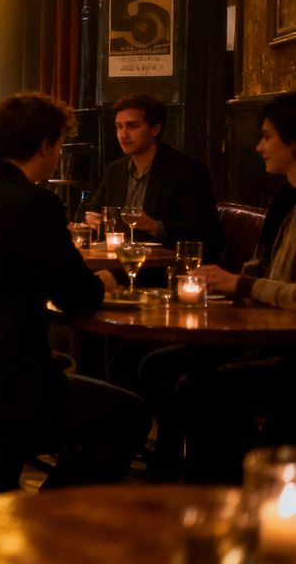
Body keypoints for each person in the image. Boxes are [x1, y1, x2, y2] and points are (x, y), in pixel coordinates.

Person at [0, 92, 149, 489]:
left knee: (58, 375)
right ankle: (47, 524)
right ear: (45, 145)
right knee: (129, 415)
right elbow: (79, 298)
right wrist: (104, 282)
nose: (57, 155)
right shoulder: (35, 204)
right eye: (58, 145)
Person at [139, 93, 296, 484]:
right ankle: (168, 474)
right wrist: (222, 285)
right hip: (266, 335)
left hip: (290, 352)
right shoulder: (284, 199)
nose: (258, 146)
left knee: (201, 389)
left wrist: (241, 284)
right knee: (155, 366)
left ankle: (219, 494)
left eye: (266, 137)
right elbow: (260, 268)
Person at [82, 93, 223, 255]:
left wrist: (155, 226)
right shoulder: (115, 170)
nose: (123, 134)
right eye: (119, 126)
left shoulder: (188, 170)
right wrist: (91, 218)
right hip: (119, 260)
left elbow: (205, 232)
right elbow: (94, 209)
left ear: (155, 129)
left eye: (132, 126)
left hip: (164, 264)